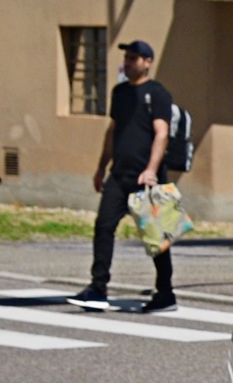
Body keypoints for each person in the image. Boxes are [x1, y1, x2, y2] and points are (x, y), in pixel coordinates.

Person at [69, 40, 180, 312]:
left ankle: (165, 294)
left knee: (157, 238)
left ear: (147, 62)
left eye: (134, 58)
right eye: (127, 58)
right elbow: (113, 131)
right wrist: (101, 167)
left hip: (147, 179)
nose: (128, 62)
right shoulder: (120, 93)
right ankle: (98, 288)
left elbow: (162, 133)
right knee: (103, 226)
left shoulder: (158, 94)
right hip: (119, 176)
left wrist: (151, 170)